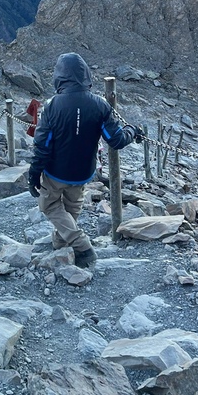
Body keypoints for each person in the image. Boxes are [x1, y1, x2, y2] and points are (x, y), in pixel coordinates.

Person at [27, 53, 142, 268]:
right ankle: (60, 244)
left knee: (49, 205)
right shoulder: (100, 105)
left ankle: (82, 246)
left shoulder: (52, 106)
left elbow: (42, 146)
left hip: (55, 172)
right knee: (72, 206)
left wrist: (34, 173)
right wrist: (131, 130)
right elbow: (115, 140)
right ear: (86, 75)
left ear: (59, 76)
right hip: (83, 173)